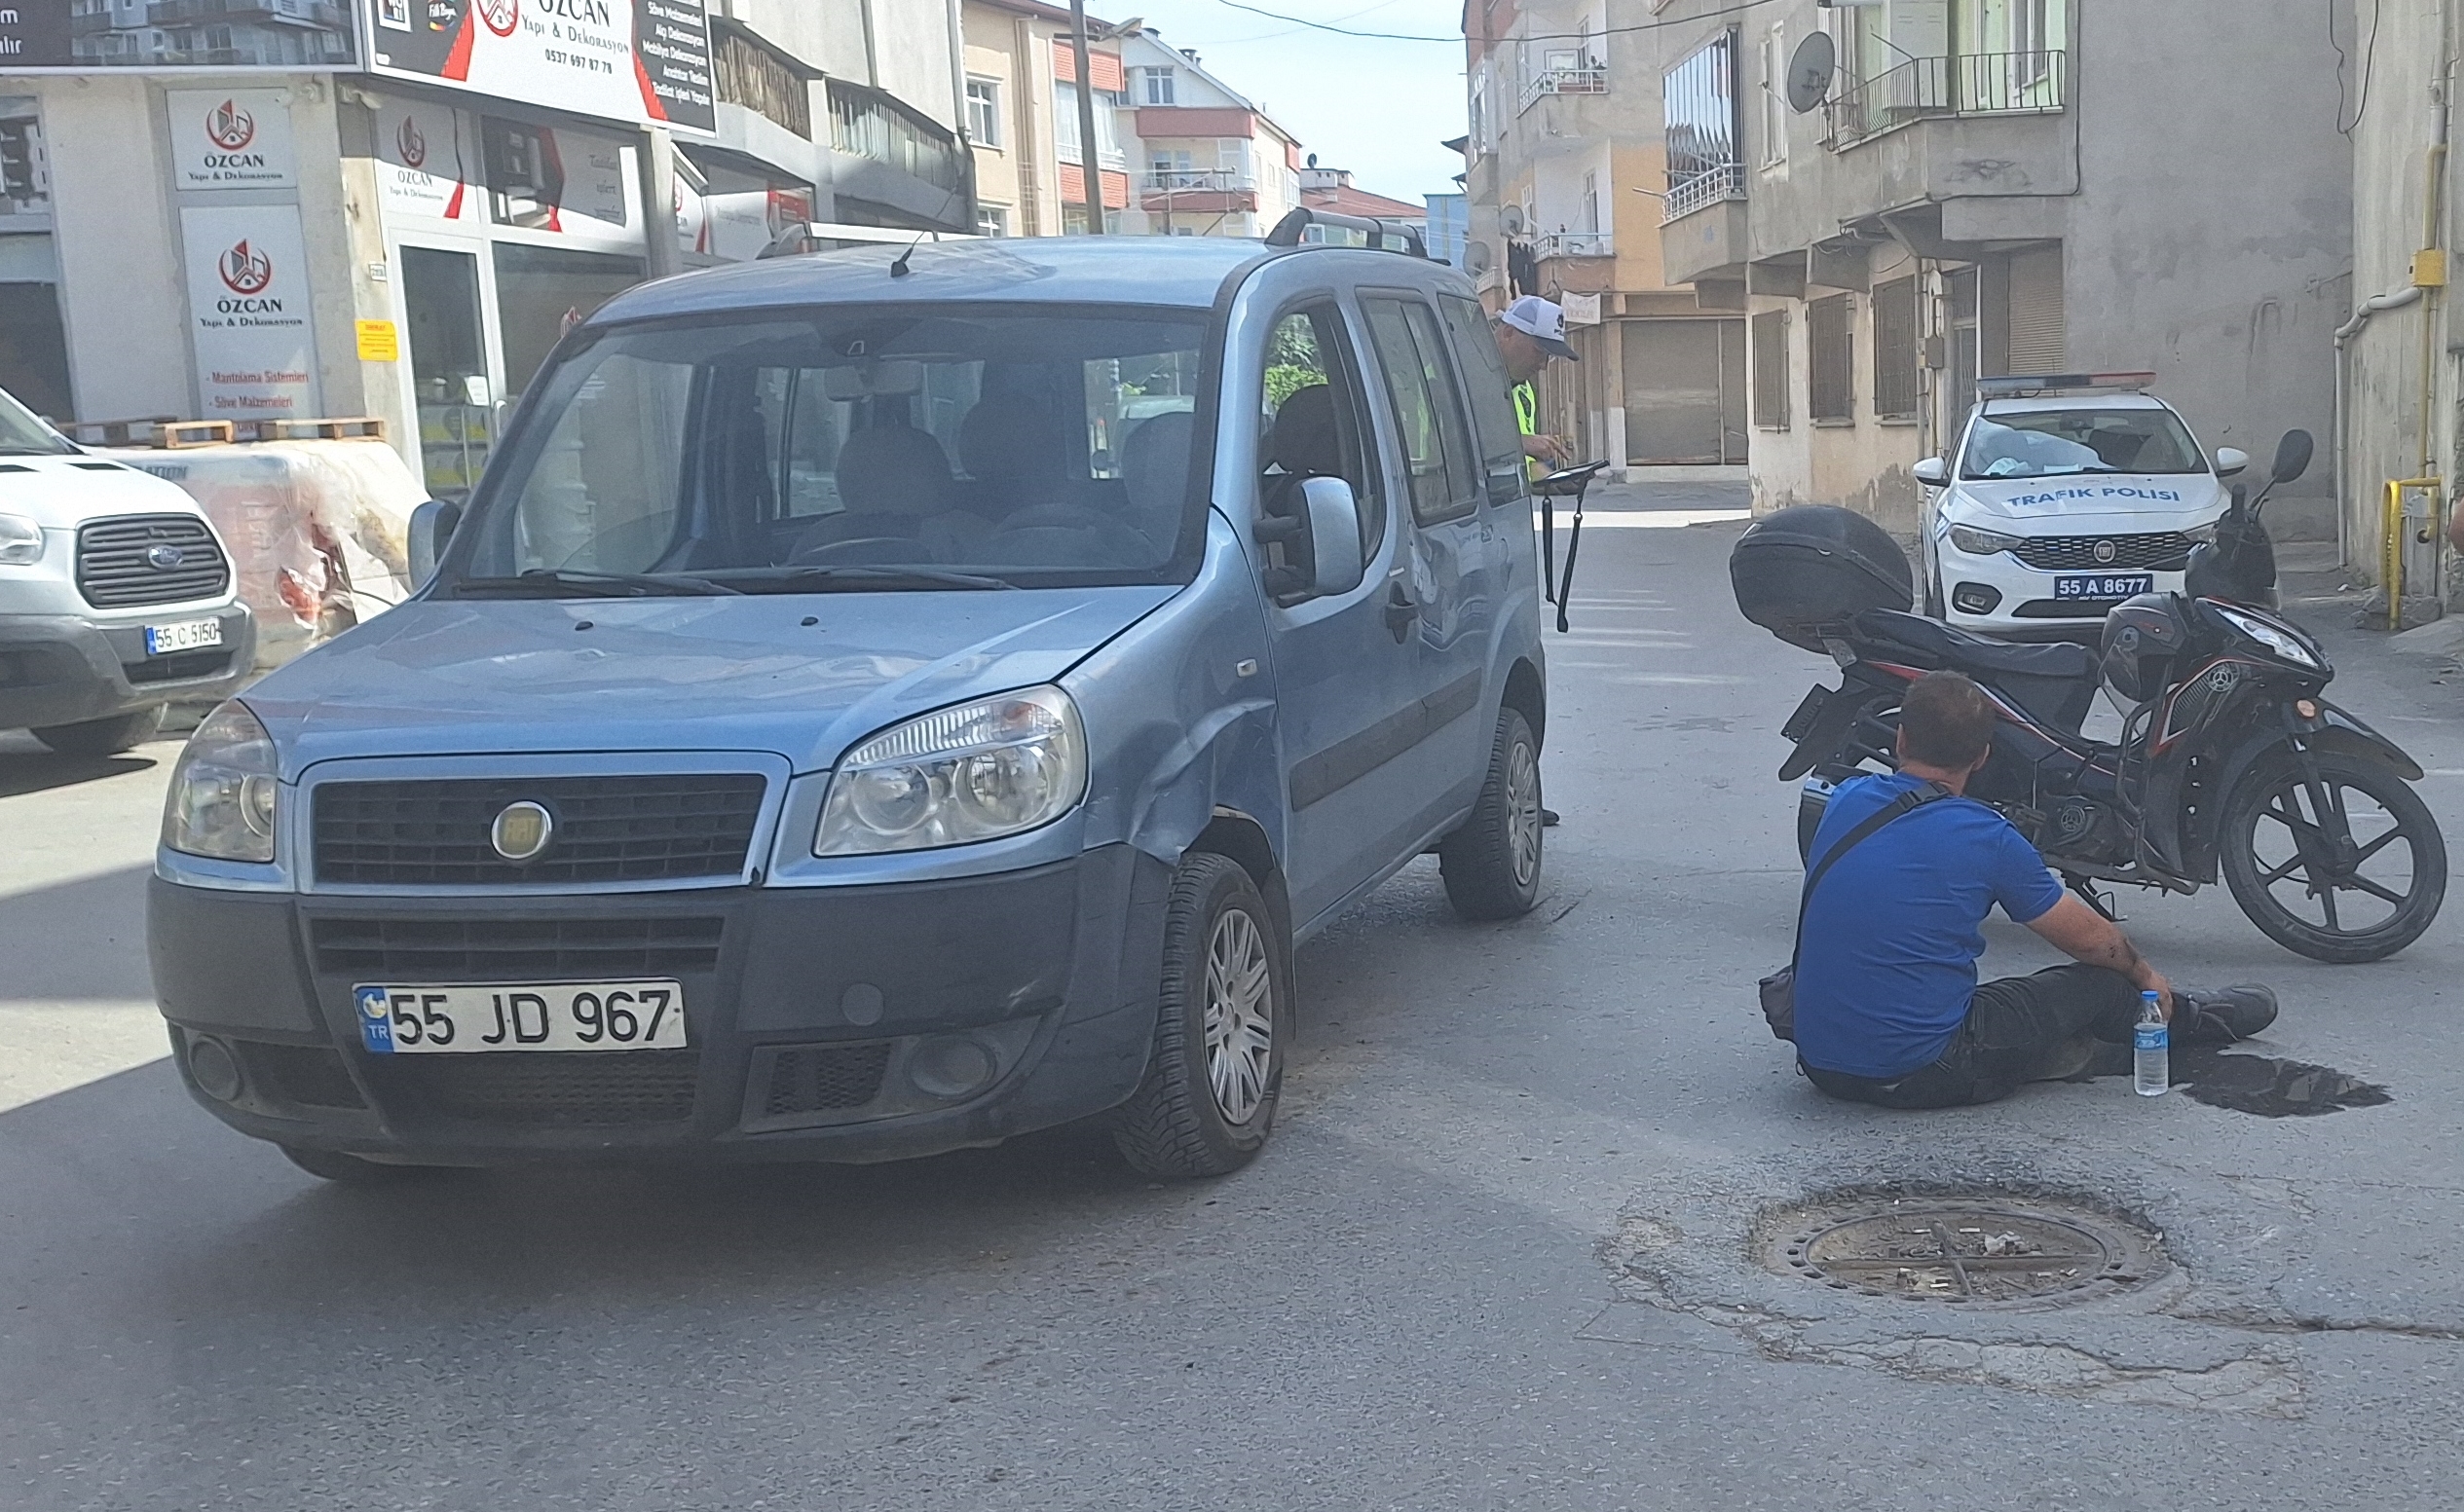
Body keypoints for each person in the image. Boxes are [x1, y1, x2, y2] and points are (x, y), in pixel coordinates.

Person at [1791, 670, 2278, 1109]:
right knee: (2102, 984)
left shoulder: (1847, 800)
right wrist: (2147, 975)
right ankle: (2190, 1016)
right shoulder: (1987, 835)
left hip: (1823, 1070)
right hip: (1925, 1074)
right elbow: (2093, 941)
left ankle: (2066, 1048)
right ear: (1983, 756)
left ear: (1900, 740)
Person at [1493, 295, 1577, 470]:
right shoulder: (1460, 371)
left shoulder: (1523, 389)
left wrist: (1549, 481)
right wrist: (1519, 442)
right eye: (1539, 352)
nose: (1543, 365)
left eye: (1549, 357)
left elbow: (1523, 466)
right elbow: (1446, 443)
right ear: (1509, 333)